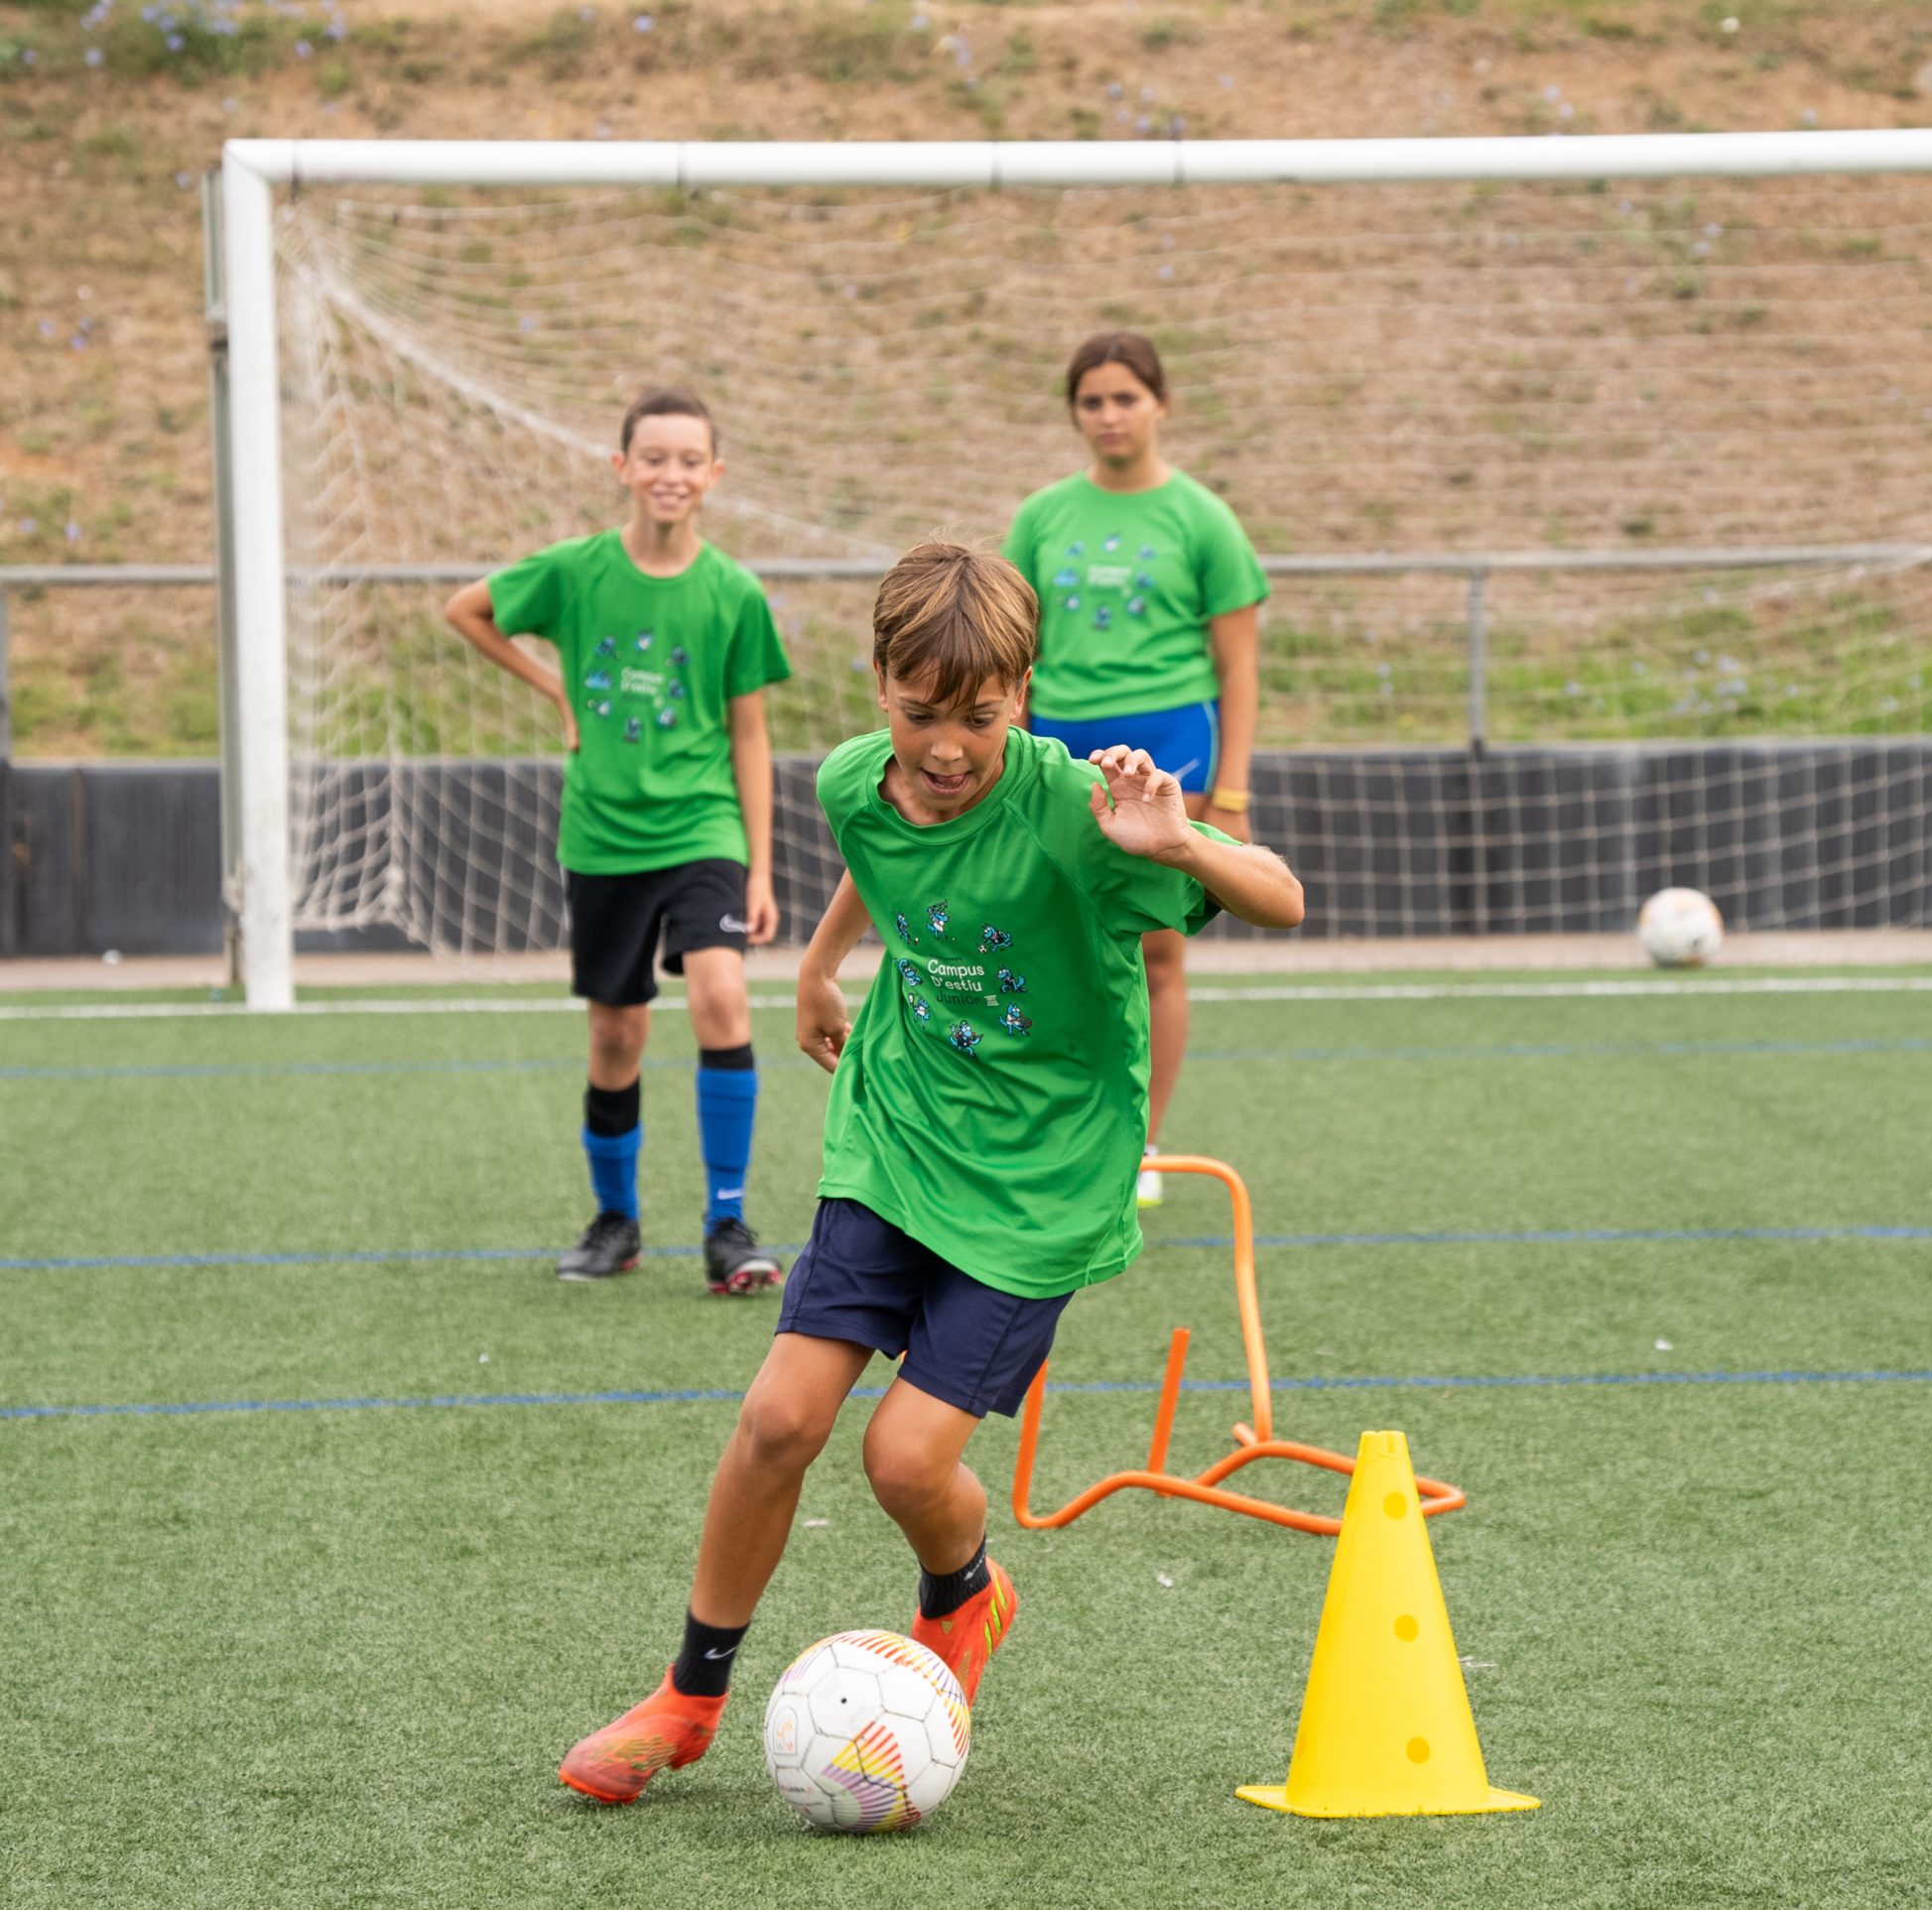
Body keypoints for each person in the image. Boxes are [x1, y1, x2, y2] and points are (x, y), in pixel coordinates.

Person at [556, 542, 1305, 1806]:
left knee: (903, 1460)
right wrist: (818, 964)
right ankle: (687, 1697)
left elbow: (1282, 896)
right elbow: (884, 855)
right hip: (897, 1133)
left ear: (1024, 693)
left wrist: (1182, 844)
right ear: (878, 685)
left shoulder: (1086, 813)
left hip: (1039, 1183)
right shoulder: (856, 778)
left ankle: (964, 1590)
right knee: (779, 1419)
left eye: (981, 717)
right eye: (919, 714)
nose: (947, 748)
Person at [444, 388, 793, 1296]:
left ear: (715, 474)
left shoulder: (733, 592)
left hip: (703, 826)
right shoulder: (576, 571)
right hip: (602, 837)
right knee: (615, 1033)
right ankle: (615, 1221)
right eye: (654, 457)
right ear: (621, 466)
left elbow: (750, 733)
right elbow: (466, 610)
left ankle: (727, 1224)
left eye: (690, 460)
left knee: (723, 996)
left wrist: (760, 866)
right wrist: (554, 687)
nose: (671, 474)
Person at [1002, 331, 1269, 1209]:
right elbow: (1011, 656)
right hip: (1064, 746)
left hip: (1172, 743)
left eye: (1125, 397)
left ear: (1161, 404)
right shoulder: (1041, 518)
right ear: (1073, 412)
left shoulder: (1203, 518)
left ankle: (1143, 1146)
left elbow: (1239, 668)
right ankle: (1056, 1128)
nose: (1109, 415)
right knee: (1051, 940)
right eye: (1092, 401)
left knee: (1156, 949)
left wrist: (1231, 793)